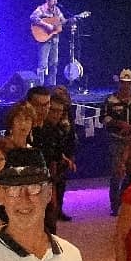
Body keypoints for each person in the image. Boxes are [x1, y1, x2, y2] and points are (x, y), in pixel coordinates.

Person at [103, 70, 131, 216]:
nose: (126, 86)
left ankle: (127, 201)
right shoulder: (110, 100)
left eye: (129, 84)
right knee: (117, 172)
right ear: (119, 83)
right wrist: (119, 124)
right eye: (123, 83)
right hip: (116, 140)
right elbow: (104, 119)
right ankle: (115, 206)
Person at [35, 89, 77, 225]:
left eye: (59, 111)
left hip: (51, 177)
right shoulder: (34, 128)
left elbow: (56, 153)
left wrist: (64, 158)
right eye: (52, 110)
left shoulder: (55, 129)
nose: (56, 115)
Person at [29, 0, 66, 85]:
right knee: (42, 65)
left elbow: (63, 20)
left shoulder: (57, 10)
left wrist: (71, 20)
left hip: (55, 40)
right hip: (44, 40)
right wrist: (46, 25)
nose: (55, 1)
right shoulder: (41, 9)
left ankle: (52, 87)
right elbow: (32, 17)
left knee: (54, 64)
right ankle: (40, 87)